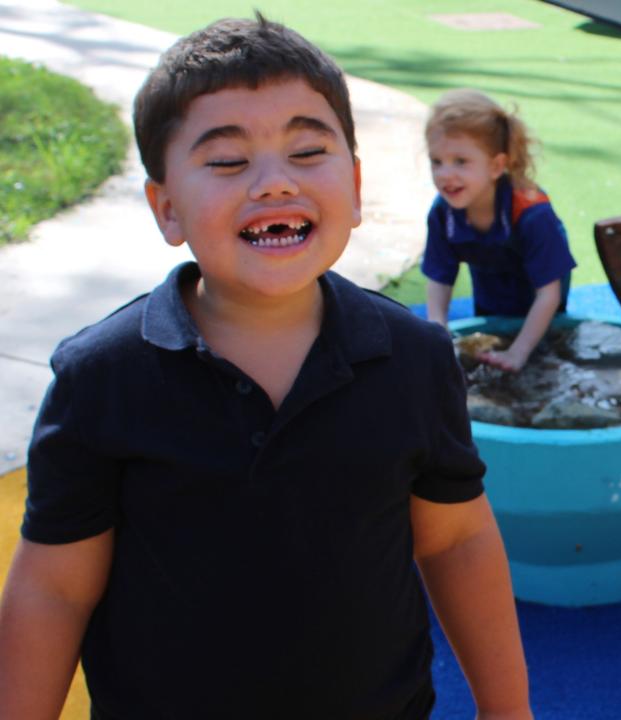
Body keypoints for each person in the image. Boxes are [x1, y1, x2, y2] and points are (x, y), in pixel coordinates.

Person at [0, 15, 531, 720]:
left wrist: (508, 710)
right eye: (227, 161)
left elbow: (456, 539)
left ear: (356, 181)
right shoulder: (102, 378)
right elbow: (54, 589)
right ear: (167, 210)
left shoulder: (414, 358)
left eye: (308, 150)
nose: (274, 182)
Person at [420, 89, 576, 373]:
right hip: (490, 276)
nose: (444, 174)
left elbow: (548, 295)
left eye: (460, 161)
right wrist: (437, 333)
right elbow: (439, 280)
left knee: (543, 350)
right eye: (436, 161)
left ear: (496, 166)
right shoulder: (444, 213)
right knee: (492, 330)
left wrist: (519, 352)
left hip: (540, 285)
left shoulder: (532, 214)